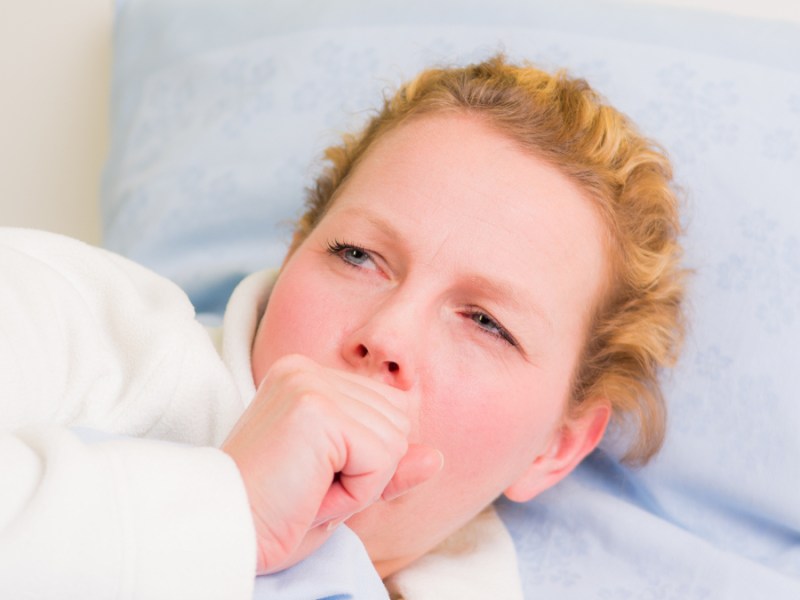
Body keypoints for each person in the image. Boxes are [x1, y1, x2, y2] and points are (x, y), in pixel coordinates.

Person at [0, 54, 685, 598]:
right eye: (357, 255)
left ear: (557, 449)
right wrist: (229, 511)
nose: (386, 336)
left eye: (485, 323)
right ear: (298, 247)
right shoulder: (72, 321)